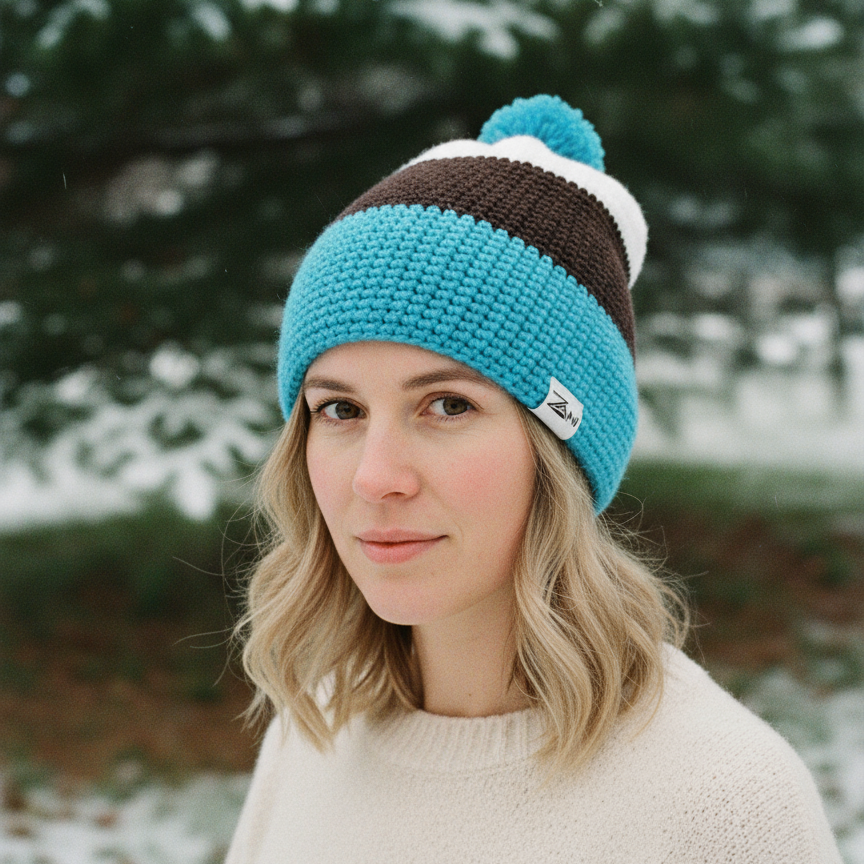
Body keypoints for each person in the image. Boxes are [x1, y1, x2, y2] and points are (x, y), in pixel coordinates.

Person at [225, 95, 842, 863]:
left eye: (446, 404)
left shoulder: (723, 801)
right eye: (340, 409)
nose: (376, 477)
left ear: (561, 448)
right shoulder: (316, 729)